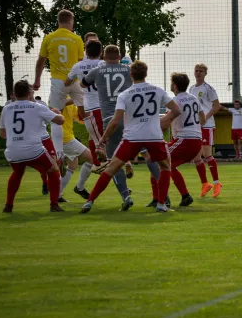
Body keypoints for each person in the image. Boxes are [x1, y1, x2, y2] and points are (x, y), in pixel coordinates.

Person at [80, 61, 181, 213]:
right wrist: (162, 122)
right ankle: (161, 204)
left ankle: (89, 201)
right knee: (165, 167)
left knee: (111, 168)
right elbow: (176, 110)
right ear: (146, 74)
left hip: (132, 137)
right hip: (153, 136)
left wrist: (103, 139)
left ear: (131, 75)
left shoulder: (125, 94)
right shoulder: (158, 90)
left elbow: (115, 120)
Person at [81, 44, 139, 207]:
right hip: (130, 119)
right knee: (149, 156)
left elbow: (83, 84)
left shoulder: (98, 70)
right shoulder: (128, 69)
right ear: (119, 56)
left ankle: (125, 197)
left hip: (109, 119)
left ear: (104, 57)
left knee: (113, 160)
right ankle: (162, 199)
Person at [0, 80, 65, 213]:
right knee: (53, 169)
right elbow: (60, 121)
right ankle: (54, 205)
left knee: (17, 173)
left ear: (14, 94)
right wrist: (58, 112)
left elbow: (3, 134)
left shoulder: (6, 108)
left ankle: (8, 205)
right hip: (33, 149)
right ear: (30, 93)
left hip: (13, 150)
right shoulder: (37, 106)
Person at [33, 9, 84, 171]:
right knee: (86, 111)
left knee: (56, 115)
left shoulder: (49, 38)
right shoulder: (77, 39)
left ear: (58, 21)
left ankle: (59, 154)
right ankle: (99, 144)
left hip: (58, 82)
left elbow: (40, 62)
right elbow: (80, 65)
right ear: (71, 21)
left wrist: (37, 80)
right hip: (74, 81)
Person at [160, 73, 207, 206]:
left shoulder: (174, 101)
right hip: (196, 140)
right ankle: (184, 195)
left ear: (174, 85)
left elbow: (167, 120)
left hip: (184, 140)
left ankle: (161, 198)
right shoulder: (194, 98)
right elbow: (202, 119)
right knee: (169, 165)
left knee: (161, 161)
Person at [66, 36, 105, 168]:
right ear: (101, 52)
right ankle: (99, 163)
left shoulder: (78, 66)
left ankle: (99, 163)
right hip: (107, 106)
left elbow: (67, 83)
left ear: (86, 52)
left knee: (99, 140)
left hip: (91, 107)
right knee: (103, 140)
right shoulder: (104, 64)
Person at [189, 64, 222, 198]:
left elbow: (217, 106)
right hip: (195, 125)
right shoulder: (191, 88)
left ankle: (216, 183)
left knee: (207, 154)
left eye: (201, 71)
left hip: (206, 125)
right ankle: (205, 184)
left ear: (205, 73)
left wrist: (205, 118)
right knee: (196, 156)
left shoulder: (209, 88)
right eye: (196, 71)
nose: (198, 73)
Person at [58, 102, 94, 202]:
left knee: (73, 164)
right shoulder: (60, 96)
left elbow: (80, 118)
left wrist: (92, 115)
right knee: (91, 158)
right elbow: (61, 104)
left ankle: (57, 194)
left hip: (67, 137)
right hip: (66, 138)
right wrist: (79, 97)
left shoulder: (71, 102)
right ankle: (80, 188)